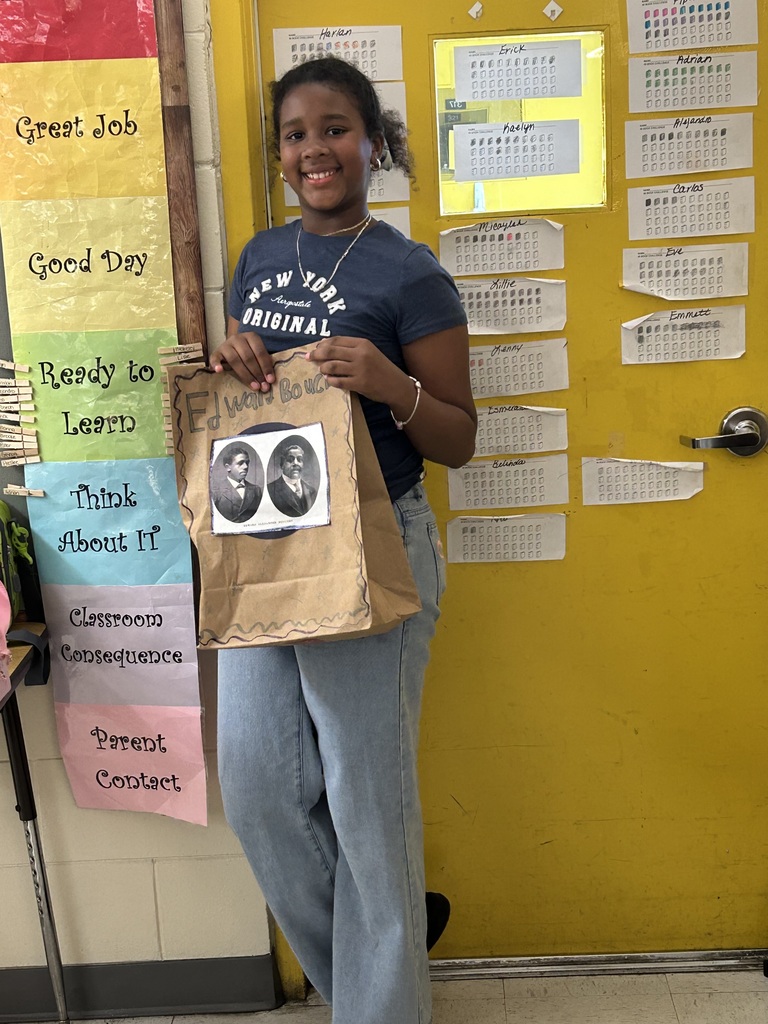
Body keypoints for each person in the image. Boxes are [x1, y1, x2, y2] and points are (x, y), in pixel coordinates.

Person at [210, 55, 476, 1024]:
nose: (313, 148)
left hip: (376, 550)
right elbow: (255, 404)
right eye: (295, 133)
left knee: (367, 807)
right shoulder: (258, 256)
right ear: (280, 153)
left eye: (333, 128)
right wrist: (233, 357)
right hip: (269, 545)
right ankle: (371, 979)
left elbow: (459, 438)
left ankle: (381, 1008)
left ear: (373, 141)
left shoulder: (410, 271)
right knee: (261, 793)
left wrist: (392, 384)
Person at [211, 444, 263, 522]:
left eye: (247, 462)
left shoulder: (256, 490)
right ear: (228, 467)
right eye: (240, 463)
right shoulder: (216, 491)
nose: (245, 466)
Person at [268, 441, 317, 516]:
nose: (296, 463)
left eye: (299, 459)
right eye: (290, 460)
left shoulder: (312, 491)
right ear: (282, 464)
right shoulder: (270, 490)